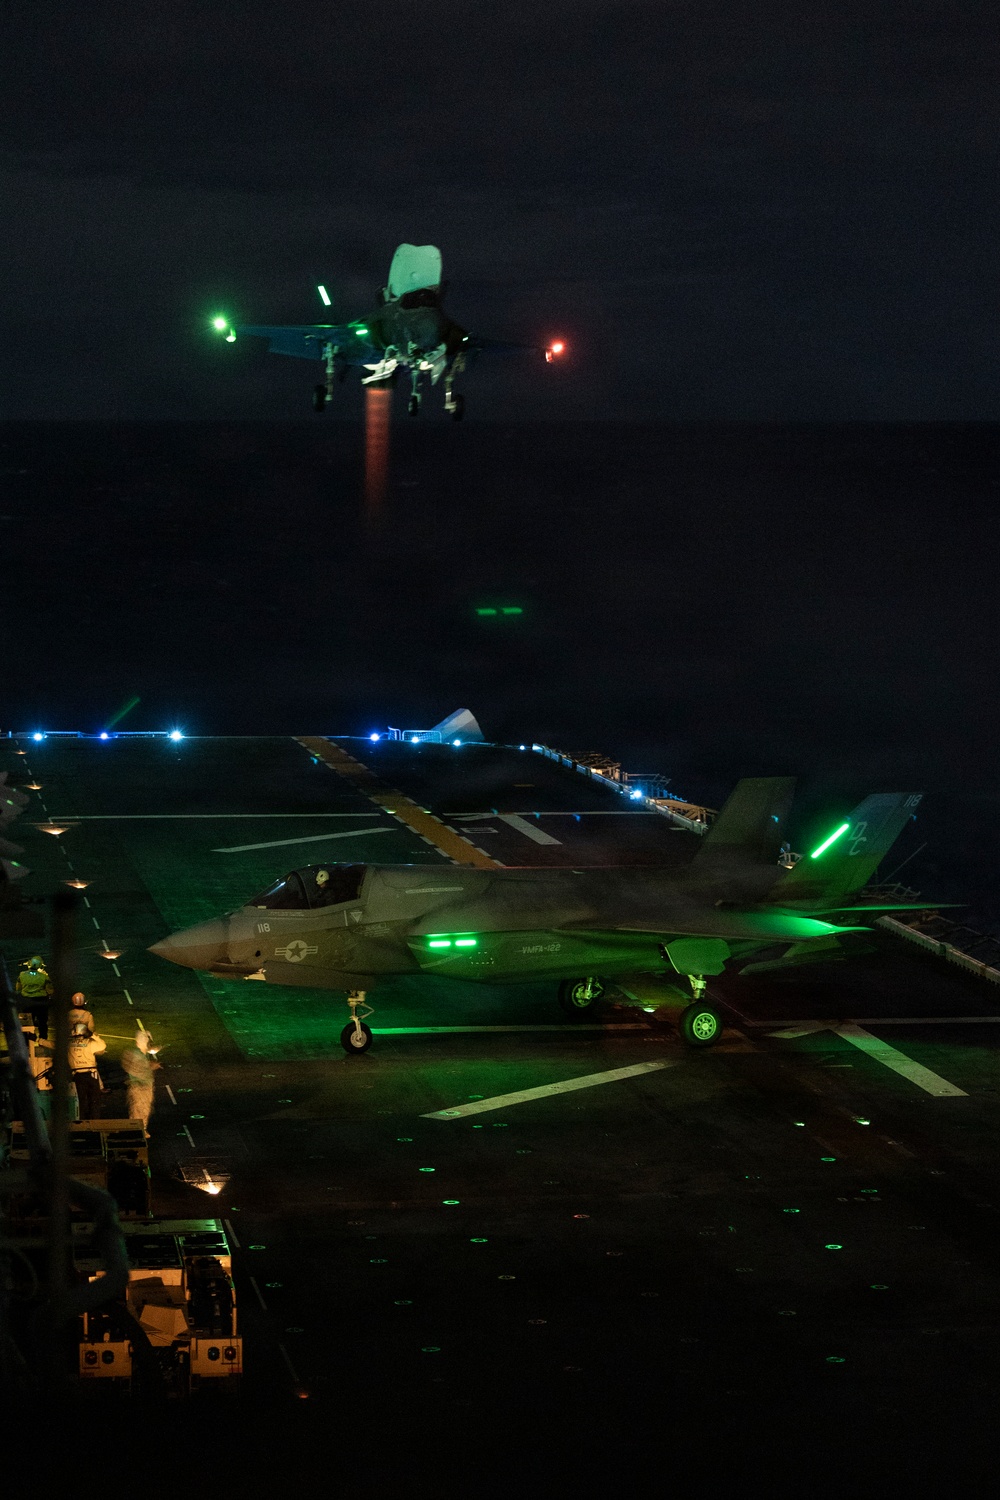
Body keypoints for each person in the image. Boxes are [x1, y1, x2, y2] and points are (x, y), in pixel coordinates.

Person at [120, 1030, 160, 1135]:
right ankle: (136, 1130)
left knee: (144, 1109)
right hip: (139, 1086)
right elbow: (136, 1069)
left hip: (145, 1085)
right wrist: (150, 1067)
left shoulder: (141, 1053)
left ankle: (141, 1129)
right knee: (138, 1109)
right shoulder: (135, 1054)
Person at [67, 1020, 106, 1120]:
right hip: (92, 1074)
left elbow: (52, 1044)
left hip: (77, 1075)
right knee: (94, 1100)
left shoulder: (69, 1044)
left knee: (80, 1100)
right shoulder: (90, 1043)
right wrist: (93, 1035)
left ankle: (81, 1121)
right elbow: (102, 1045)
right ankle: (95, 1121)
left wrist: (39, 1040)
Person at [16, 956, 54, 1037]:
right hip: (41, 1003)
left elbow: (18, 988)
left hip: (27, 1002)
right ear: (40, 965)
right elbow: (50, 990)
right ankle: (42, 1040)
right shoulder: (44, 977)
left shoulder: (22, 975)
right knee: (42, 1023)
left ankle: (27, 1042)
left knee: (26, 1024)